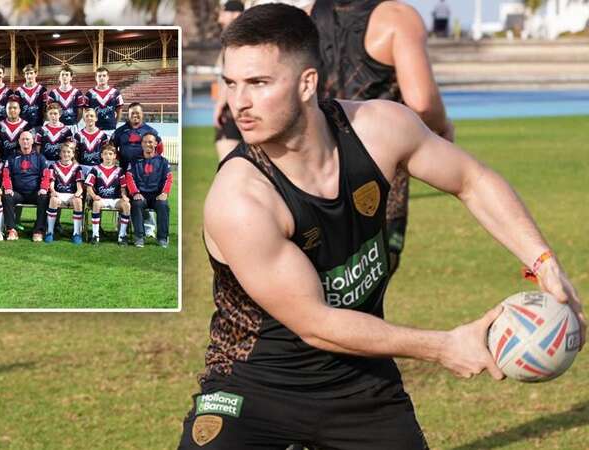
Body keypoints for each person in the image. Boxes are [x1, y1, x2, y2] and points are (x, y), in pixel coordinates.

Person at [178, 5, 585, 449]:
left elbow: (473, 181)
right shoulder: (240, 200)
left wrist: (541, 261)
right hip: (254, 387)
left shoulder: (380, 129)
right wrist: (445, 345)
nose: (239, 101)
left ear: (307, 83)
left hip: (361, 385)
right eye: (232, 82)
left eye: (258, 83)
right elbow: (316, 323)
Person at [308, 0, 454, 276]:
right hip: (379, 169)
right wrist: (443, 127)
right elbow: (422, 103)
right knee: (366, 283)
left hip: (316, 168)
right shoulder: (397, 18)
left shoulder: (306, 17)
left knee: (319, 286)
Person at [0, 131, 50, 241]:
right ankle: (11, 230)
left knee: (44, 197)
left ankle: (38, 230)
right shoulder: (12, 158)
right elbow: (6, 174)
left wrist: (43, 188)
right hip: (18, 193)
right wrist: (8, 188)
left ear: (32, 141)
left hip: (34, 193)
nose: (25, 141)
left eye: (27, 139)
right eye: (22, 139)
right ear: (19, 141)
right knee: (6, 196)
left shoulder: (40, 157)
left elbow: (46, 175)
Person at [125, 133, 171, 248]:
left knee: (163, 205)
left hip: (157, 196)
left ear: (156, 143)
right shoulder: (135, 161)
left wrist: (164, 193)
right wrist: (135, 193)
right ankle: (139, 237)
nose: (147, 144)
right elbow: (129, 177)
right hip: (141, 195)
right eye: (145, 142)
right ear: (141, 144)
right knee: (136, 204)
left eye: (150, 142)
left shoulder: (163, 161)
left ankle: (162, 238)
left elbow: (168, 178)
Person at [212, 0, 245, 159]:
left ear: (234, 14)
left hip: (231, 109)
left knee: (227, 162)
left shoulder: (235, 41)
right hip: (237, 106)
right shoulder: (233, 40)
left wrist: (220, 104)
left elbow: (229, 76)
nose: (219, 17)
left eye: (223, 12)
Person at [85, 143, 130, 246]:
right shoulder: (95, 169)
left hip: (115, 199)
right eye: (105, 154)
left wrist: (124, 196)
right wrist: (93, 196)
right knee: (96, 204)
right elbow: (88, 187)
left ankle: (122, 236)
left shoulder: (119, 171)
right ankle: (95, 236)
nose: (108, 156)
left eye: (110, 154)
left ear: (115, 156)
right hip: (101, 199)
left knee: (126, 205)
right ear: (101, 155)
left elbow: (123, 188)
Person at [43, 140, 84, 244]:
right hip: (59, 193)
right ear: (60, 153)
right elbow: (51, 185)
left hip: (71, 194)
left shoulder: (77, 168)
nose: (66, 154)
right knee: (53, 200)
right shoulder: (53, 166)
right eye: (64, 152)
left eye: (69, 152)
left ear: (73, 154)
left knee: (78, 202)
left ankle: (76, 233)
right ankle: (50, 232)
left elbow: (80, 188)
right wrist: (53, 191)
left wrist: (77, 195)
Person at [111, 102, 163, 173]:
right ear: (128, 115)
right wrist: (119, 158)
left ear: (142, 114)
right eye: (132, 113)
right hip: (124, 169)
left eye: (137, 113)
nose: (135, 115)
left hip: (144, 171)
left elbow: (159, 146)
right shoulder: (119, 131)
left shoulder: (150, 131)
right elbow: (111, 147)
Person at [84, 66, 124, 137]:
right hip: (94, 129)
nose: (102, 78)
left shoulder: (115, 93)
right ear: (96, 78)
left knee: (110, 148)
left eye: (104, 75)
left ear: (108, 77)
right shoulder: (89, 94)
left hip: (110, 129)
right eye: (99, 76)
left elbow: (119, 110)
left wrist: (115, 123)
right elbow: (86, 111)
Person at [47, 64, 85, 135]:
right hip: (57, 126)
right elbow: (49, 110)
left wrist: (75, 122)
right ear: (59, 77)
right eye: (62, 75)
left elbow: (80, 111)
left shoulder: (77, 92)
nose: (64, 77)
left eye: (67, 75)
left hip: (72, 126)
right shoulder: (53, 93)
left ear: (71, 77)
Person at [76, 108, 109, 177]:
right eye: (87, 116)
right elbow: (74, 153)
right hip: (83, 167)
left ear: (96, 118)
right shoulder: (78, 135)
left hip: (98, 167)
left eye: (91, 116)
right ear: (84, 119)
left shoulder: (103, 135)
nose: (89, 118)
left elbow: (106, 153)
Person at [0, 96, 31, 160]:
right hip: (3, 160)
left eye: (15, 108)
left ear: (19, 110)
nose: (12, 110)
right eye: (9, 108)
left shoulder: (26, 125)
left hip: (21, 161)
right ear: (5, 109)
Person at [16, 64, 47, 129]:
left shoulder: (42, 90)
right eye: (27, 73)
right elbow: (16, 109)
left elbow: (45, 108)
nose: (29, 76)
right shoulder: (18, 91)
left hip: (38, 125)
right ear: (24, 75)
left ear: (35, 74)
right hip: (23, 125)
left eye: (31, 73)